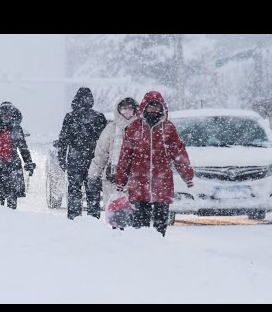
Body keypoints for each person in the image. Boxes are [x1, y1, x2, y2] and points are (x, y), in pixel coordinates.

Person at [115, 91, 194, 237]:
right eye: (151, 107)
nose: (154, 110)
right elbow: (125, 156)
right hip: (140, 183)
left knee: (160, 225)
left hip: (162, 184)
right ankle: (141, 249)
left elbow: (179, 153)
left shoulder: (169, 128)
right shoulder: (134, 128)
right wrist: (121, 179)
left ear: (162, 108)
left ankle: (159, 248)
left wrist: (187, 175)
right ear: (144, 107)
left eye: (157, 107)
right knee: (140, 225)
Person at [87, 96, 139, 229]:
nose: (127, 111)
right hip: (112, 178)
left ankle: (131, 240)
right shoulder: (110, 129)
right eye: (123, 108)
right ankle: (116, 240)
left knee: (132, 215)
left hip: (134, 179)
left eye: (130, 108)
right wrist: (93, 175)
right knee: (115, 214)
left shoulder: (141, 129)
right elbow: (101, 154)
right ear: (118, 110)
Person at [58, 87, 107, 220]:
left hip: (75, 159)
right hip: (93, 159)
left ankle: (74, 217)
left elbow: (63, 140)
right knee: (93, 190)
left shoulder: (70, 117)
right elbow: (104, 141)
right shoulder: (99, 117)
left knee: (74, 189)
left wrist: (62, 158)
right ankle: (93, 218)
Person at [0, 102, 36, 209]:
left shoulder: (16, 129)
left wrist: (28, 162)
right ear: (0, 115)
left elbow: (23, 148)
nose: (7, 117)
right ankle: (1, 217)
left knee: (11, 195)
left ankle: (10, 218)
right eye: (4, 115)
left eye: (9, 115)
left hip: (10, 165)